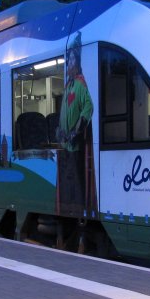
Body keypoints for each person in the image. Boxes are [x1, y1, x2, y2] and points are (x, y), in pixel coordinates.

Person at [58, 32, 93, 214]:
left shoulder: (80, 85)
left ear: (77, 62)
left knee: (75, 180)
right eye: (68, 60)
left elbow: (88, 107)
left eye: (72, 59)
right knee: (67, 180)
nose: (69, 63)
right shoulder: (68, 85)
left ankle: (77, 208)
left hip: (74, 144)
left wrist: (75, 131)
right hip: (64, 144)